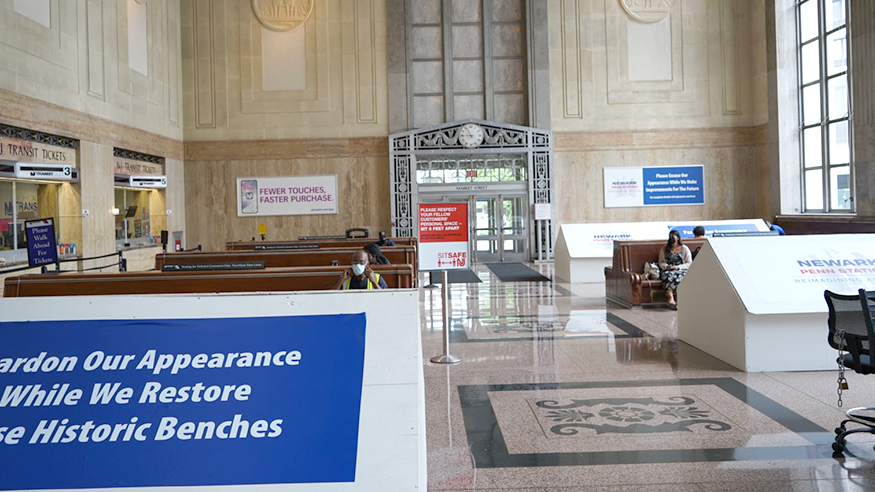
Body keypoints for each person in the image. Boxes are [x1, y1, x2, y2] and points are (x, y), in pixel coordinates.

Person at [658, 230, 692, 310]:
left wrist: (678, 267)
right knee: (668, 275)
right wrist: (666, 266)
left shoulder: (684, 248)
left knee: (680, 276)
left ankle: (673, 297)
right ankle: (673, 299)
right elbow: (661, 262)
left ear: (678, 238)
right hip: (668, 270)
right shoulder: (664, 249)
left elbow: (689, 263)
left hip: (681, 269)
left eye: (673, 237)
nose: (671, 239)